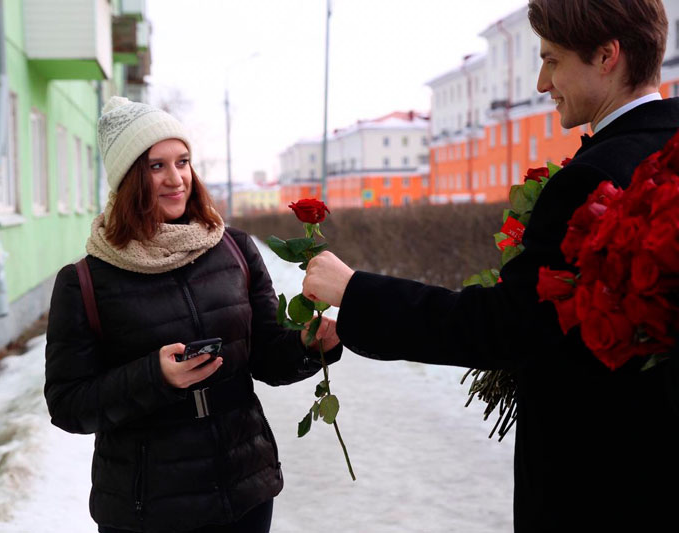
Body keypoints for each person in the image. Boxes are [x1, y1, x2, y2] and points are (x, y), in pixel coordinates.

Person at [302, 0, 678, 530]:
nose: (542, 83)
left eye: (552, 60)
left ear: (606, 56)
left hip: (603, 481)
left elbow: (505, 326)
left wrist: (355, 291)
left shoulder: (592, 179)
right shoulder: (667, 148)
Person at [45, 97, 341, 533]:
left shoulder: (234, 248)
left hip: (243, 490)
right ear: (128, 178)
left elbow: (264, 357)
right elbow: (68, 405)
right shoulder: (85, 280)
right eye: (156, 166)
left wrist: (308, 345)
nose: (176, 178)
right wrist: (155, 377)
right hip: (147, 509)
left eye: (182, 162)